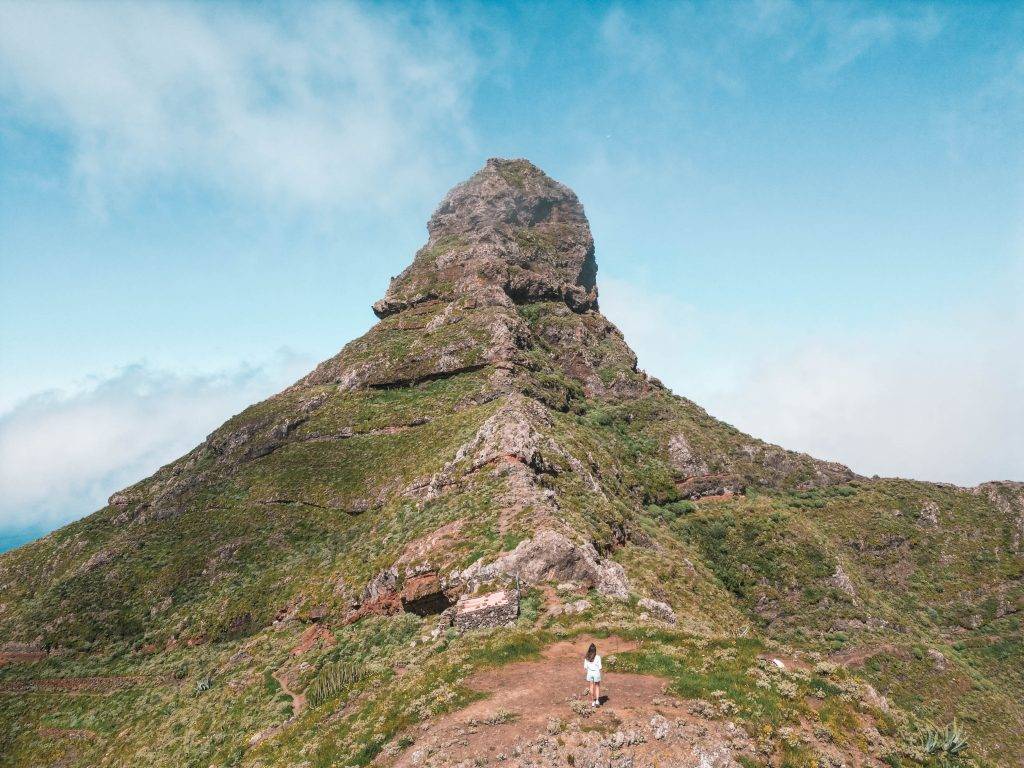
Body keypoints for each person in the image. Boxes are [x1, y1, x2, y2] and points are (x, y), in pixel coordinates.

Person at [583, 642, 602, 707]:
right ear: (595, 650)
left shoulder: (587, 657)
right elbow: (600, 667)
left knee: (591, 687)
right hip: (596, 673)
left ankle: (592, 702)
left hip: (590, 673)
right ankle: (597, 700)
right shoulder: (598, 657)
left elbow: (585, 667)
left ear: (589, 649)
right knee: (597, 686)